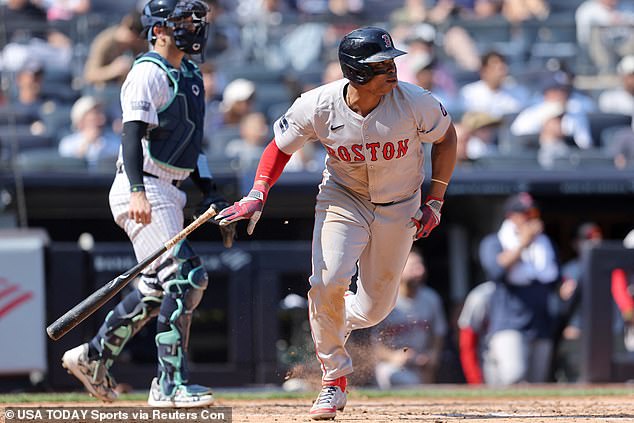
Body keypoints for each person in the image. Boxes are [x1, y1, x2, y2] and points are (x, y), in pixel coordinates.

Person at [215, 26, 457, 419]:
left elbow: (447, 138)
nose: (392, 69)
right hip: (343, 198)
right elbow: (279, 147)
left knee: (375, 309)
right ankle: (334, 379)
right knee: (326, 282)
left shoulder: (415, 101)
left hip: (399, 205)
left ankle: (330, 318)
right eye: (382, 64)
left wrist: (436, 199)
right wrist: (258, 192)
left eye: (391, 61)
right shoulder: (318, 104)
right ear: (357, 71)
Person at [61, 0, 235, 407]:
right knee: (187, 277)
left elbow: (193, 143)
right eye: (181, 22)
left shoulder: (190, 73)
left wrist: (209, 191)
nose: (192, 28)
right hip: (142, 188)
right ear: (158, 29)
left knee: (157, 288)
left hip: (170, 190)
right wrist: (138, 191)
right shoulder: (147, 72)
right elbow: (131, 134)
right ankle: (169, 385)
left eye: (194, 21)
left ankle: (93, 356)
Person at [478, 192, 559, 385]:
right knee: (514, 376)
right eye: (525, 214)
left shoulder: (546, 244)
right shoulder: (494, 241)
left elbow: (554, 278)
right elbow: (496, 269)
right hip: (509, 322)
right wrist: (524, 242)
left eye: (533, 213)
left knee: (538, 382)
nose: (531, 218)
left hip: (541, 324)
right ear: (511, 216)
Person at [373, 246, 448, 388]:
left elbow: (438, 334)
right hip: (392, 365)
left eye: (421, 265)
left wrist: (432, 356)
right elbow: (372, 345)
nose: (420, 271)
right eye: (413, 266)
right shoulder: (384, 300)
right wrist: (394, 356)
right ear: (399, 269)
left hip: (420, 365)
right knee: (395, 376)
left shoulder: (431, 298)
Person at [57, 95, 120, 168]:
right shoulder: (67, 143)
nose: (101, 117)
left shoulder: (115, 141)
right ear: (81, 119)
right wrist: (87, 143)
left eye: (101, 112)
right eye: (95, 113)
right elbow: (68, 168)